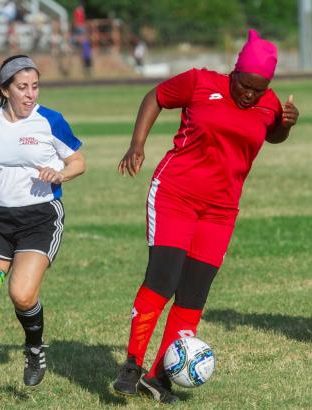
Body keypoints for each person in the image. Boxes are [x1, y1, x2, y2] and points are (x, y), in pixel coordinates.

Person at [111, 29, 299, 404]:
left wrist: (286, 125)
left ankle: (159, 376)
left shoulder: (270, 102)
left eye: (258, 90)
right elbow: (156, 97)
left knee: (194, 293)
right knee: (163, 279)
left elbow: (271, 133)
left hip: (221, 211)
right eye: (245, 86)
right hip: (175, 195)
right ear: (234, 72)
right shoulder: (199, 82)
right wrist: (137, 144)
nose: (249, 95)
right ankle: (132, 364)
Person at [0, 55, 86, 405]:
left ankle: (35, 346)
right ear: (5, 89)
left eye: (35, 87)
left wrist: (61, 174)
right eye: (22, 88)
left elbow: (78, 162)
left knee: (21, 295)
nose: (30, 94)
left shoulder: (50, 121)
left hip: (40, 218)